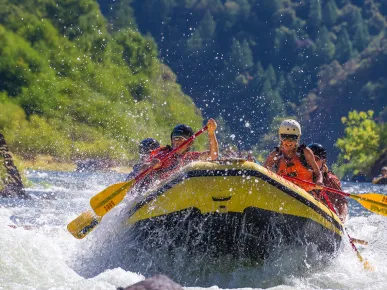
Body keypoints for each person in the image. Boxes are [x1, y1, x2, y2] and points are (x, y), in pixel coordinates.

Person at [149, 118, 218, 181]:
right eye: (175, 138)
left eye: (181, 139)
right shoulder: (163, 154)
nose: (177, 142)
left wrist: (211, 133)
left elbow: (213, 155)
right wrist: (151, 165)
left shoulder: (190, 157)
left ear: (190, 143)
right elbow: (144, 166)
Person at [264, 119, 323, 191]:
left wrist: (319, 182)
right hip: (283, 192)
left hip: (306, 194)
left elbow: (318, 173)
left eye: (292, 138)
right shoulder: (275, 155)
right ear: (280, 138)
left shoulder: (305, 152)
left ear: (298, 138)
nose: (288, 141)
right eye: (285, 137)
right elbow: (263, 170)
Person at [308, 143, 348, 223]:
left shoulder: (329, 179)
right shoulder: (300, 173)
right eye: (308, 158)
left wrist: (341, 217)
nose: (311, 162)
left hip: (324, 217)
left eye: (315, 159)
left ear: (324, 161)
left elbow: (342, 202)